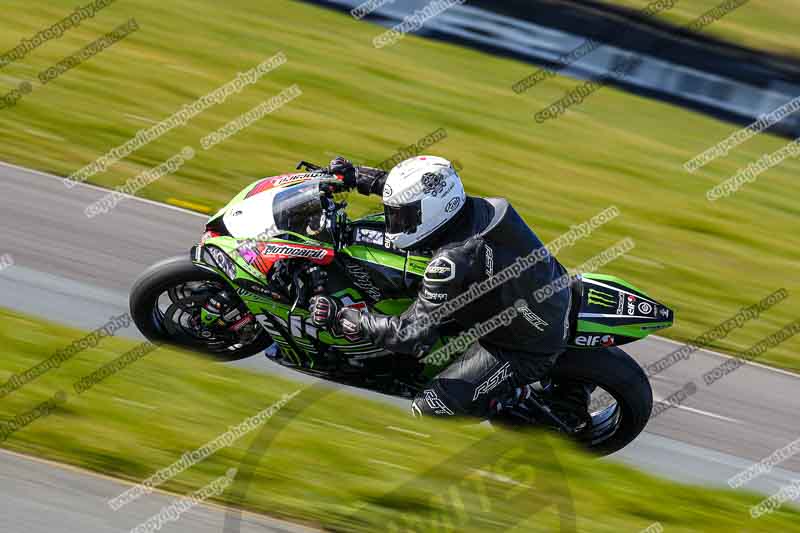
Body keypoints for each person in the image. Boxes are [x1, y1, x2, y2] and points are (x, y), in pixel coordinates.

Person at [309, 155, 586, 422]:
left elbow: (411, 336)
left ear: (432, 212)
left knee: (430, 407)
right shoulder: (477, 209)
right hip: (540, 290)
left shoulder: (450, 262)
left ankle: (512, 399)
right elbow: (418, 197)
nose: (396, 223)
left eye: (403, 217)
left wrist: (347, 318)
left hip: (523, 347)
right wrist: (355, 175)